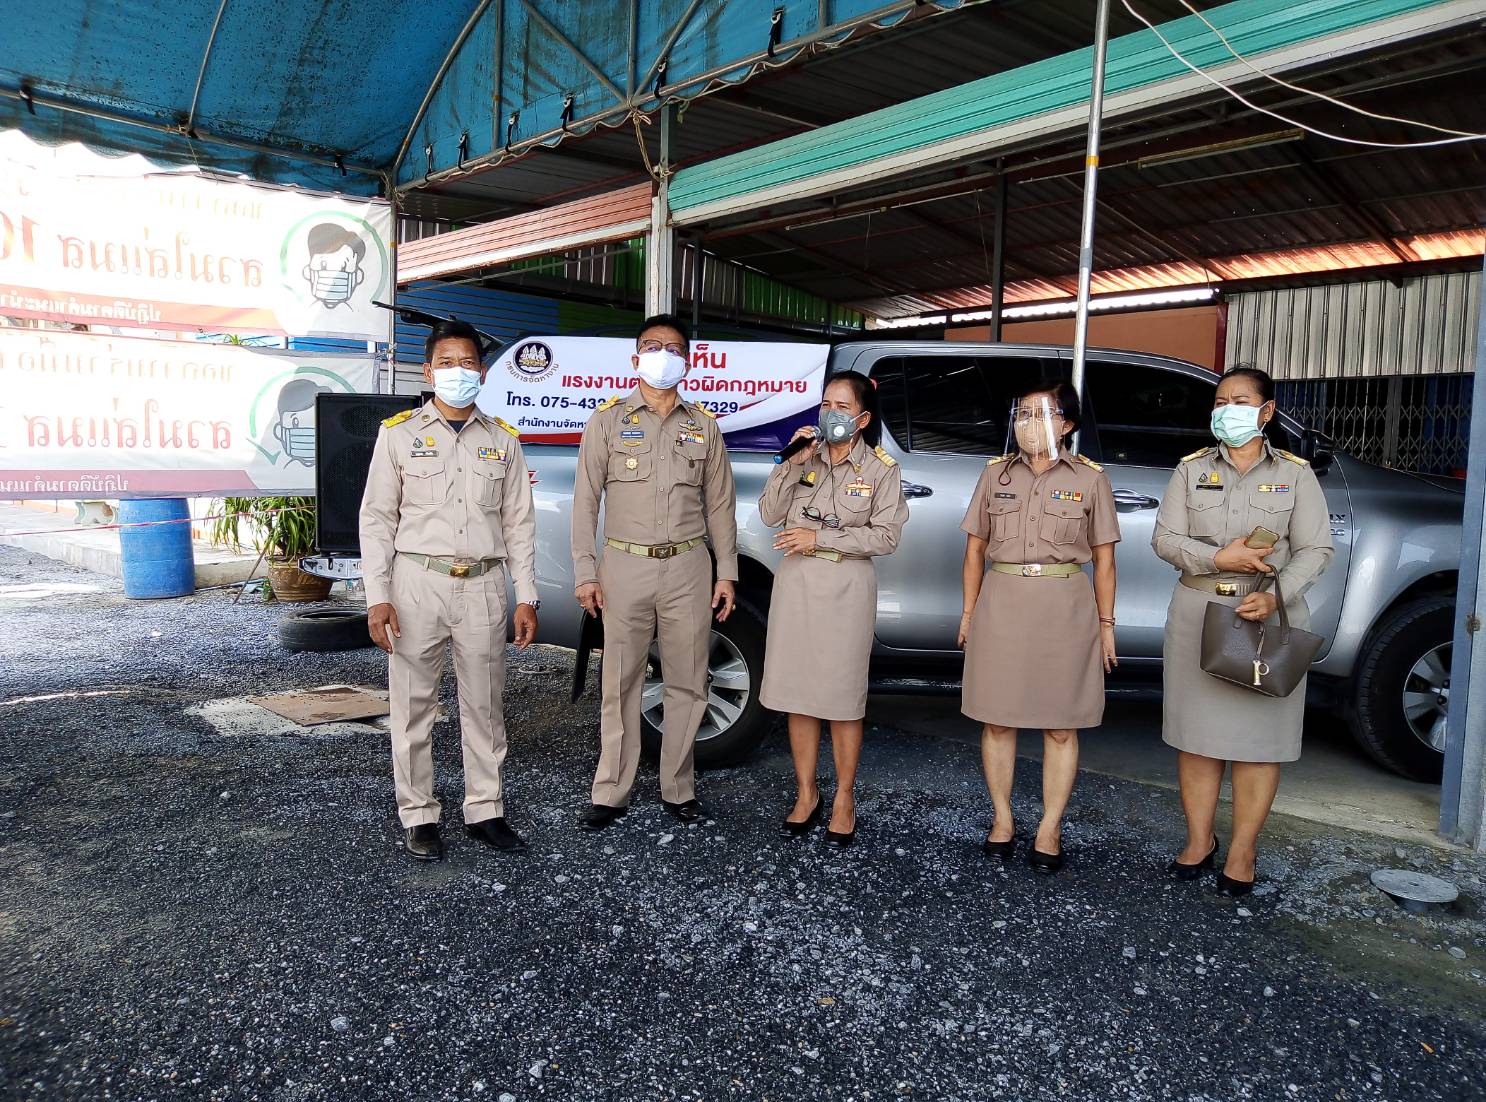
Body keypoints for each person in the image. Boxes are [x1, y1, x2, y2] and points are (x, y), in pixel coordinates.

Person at [359, 319, 540, 862]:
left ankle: (485, 809)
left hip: (483, 586)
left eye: (467, 363)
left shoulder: (502, 440)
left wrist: (527, 596)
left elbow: (519, 524)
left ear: (482, 373)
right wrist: (377, 596)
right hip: (417, 584)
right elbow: (377, 519)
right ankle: (419, 815)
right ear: (428, 371)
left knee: (485, 706)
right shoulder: (398, 434)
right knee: (413, 708)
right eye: (447, 363)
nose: (457, 372)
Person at [1153, 365, 1333, 897]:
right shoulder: (1190, 470)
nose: (1227, 410)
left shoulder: (1295, 474)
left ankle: (1242, 850)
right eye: (1220, 402)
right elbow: (1165, 539)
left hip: (1266, 617)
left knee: (1259, 745)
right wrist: (1218, 558)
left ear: (1266, 411)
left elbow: (1315, 549)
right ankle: (1198, 840)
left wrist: (1278, 595)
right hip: (1200, 610)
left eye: (1240, 401)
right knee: (1196, 740)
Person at [570, 314, 739, 832]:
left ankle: (679, 788)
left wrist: (726, 573)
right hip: (625, 566)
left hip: (688, 565)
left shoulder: (704, 426)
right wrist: (585, 572)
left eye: (673, 348)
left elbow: (720, 507)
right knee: (619, 682)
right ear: (636, 357)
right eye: (652, 346)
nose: (663, 355)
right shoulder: (607, 421)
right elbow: (585, 502)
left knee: (688, 681)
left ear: (688, 361)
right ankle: (611, 790)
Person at [957, 380, 1119, 875]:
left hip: (1064, 606)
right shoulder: (995, 475)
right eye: (1023, 413)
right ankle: (1002, 818)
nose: (1028, 423)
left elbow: (1105, 561)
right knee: (997, 718)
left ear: (1066, 424)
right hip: (1001, 601)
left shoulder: (1090, 479)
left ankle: (1050, 826)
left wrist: (1106, 625)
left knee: (1061, 724)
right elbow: (975, 551)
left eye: (1041, 414)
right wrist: (968, 614)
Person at [759, 372, 909, 848]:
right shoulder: (805, 456)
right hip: (797, 584)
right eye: (826, 404)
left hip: (846, 586)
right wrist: (791, 464)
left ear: (862, 419)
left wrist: (819, 537)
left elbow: (886, 536)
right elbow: (769, 513)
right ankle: (806, 792)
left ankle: (844, 796)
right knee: (799, 693)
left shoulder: (880, 469)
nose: (831, 414)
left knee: (842, 698)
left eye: (842, 407)